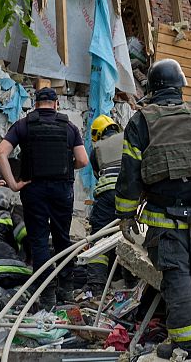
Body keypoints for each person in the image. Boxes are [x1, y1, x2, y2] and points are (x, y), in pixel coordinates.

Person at [115, 59, 191, 358]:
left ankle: (190, 346)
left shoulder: (141, 121)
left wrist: (126, 214)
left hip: (166, 222)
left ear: (152, 90)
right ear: (181, 86)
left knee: (177, 278)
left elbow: (130, 173)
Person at [0, 87, 88, 309]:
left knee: (38, 240)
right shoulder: (69, 127)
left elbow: (0, 153)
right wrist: (65, 168)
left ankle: (46, 295)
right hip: (61, 189)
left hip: (33, 188)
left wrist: (13, 184)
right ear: (56, 104)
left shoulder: (23, 125)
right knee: (62, 237)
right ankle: (66, 288)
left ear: (35, 104)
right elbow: (83, 161)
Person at [84, 114, 123, 294]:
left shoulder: (97, 149)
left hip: (107, 196)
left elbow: (99, 175)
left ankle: (96, 285)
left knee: (100, 236)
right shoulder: (130, 140)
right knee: (128, 235)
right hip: (130, 194)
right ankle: (126, 280)